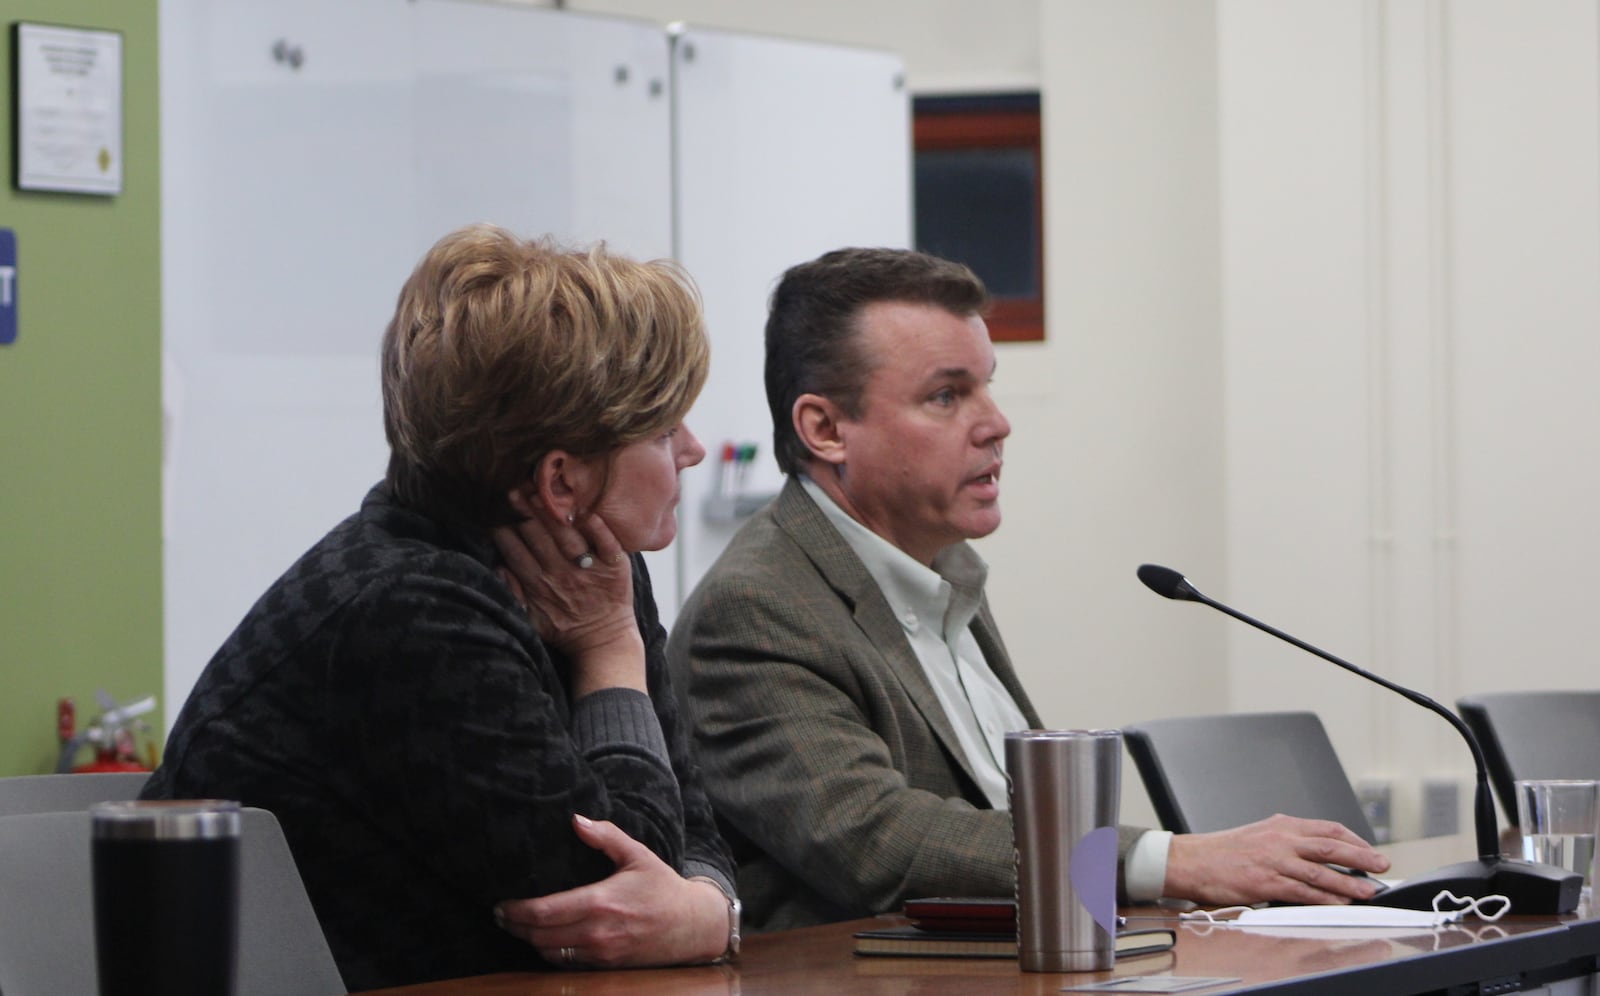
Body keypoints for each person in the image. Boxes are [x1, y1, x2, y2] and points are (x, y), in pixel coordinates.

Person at [665, 247, 1390, 933]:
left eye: (987, 384)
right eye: (947, 395)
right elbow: (880, 843)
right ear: (825, 428)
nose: (996, 423)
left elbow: (1010, 817)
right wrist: (1175, 860)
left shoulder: (939, 575)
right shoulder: (757, 609)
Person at [142, 224, 739, 989]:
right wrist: (613, 655)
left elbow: (695, 840)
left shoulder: (602, 569)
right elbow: (617, 889)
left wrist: (710, 914)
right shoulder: (408, 607)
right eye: (662, 428)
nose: (691, 449)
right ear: (563, 484)